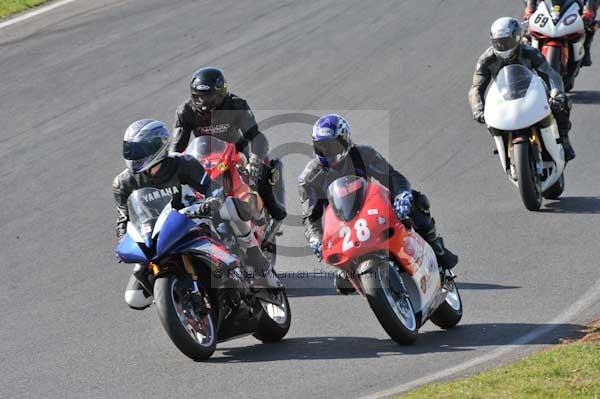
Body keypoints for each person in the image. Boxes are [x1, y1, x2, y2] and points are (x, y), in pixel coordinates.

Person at [113, 119, 271, 310]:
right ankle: (177, 300)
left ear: (158, 147)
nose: (134, 155)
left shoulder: (183, 163)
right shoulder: (123, 183)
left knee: (229, 204)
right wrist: (123, 241)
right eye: (131, 150)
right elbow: (124, 219)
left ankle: (253, 252)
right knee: (134, 298)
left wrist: (212, 201)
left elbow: (212, 188)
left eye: (139, 150)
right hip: (154, 233)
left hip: (192, 216)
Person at [298, 114, 458, 293]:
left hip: (370, 205)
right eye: (322, 146)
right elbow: (311, 218)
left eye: (332, 145)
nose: (327, 151)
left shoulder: (364, 154)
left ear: (345, 140)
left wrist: (402, 195)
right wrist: (316, 239)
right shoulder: (309, 178)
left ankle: (435, 245)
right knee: (341, 283)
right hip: (342, 224)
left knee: (416, 201)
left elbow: (392, 177)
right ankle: (352, 272)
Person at [171, 67, 286, 238]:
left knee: (263, 171)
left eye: (208, 96)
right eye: (199, 96)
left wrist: (254, 160)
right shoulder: (185, 111)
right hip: (204, 157)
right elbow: (177, 149)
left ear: (221, 93)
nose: (203, 101)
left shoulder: (236, 104)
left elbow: (256, 137)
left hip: (237, 150)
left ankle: (276, 216)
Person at [469, 17, 576, 161]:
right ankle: (503, 146)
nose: (503, 46)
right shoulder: (486, 59)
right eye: (498, 42)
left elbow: (551, 74)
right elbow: (476, 88)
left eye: (507, 41)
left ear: (517, 37)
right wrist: (477, 109)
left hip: (531, 90)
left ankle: (564, 138)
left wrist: (556, 93)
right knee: (490, 121)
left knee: (562, 103)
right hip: (503, 97)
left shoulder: (529, 52)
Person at [524, 0, 598, 66]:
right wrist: (530, 8)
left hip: (576, 5)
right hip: (546, 5)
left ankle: (586, 47)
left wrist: (588, 11)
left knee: (589, 25)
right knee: (528, 32)